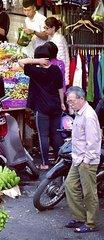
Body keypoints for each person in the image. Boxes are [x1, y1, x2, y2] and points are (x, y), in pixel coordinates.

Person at [18, 45, 64, 170]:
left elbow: (20, 61)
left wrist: (37, 61)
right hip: (56, 106)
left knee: (43, 135)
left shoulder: (35, 71)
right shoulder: (56, 70)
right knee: (56, 134)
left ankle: (44, 164)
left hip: (42, 108)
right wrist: (62, 103)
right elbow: (60, 88)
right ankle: (59, 161)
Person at [64, 86, 101, 233]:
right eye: (68, 102)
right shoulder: (79, 113)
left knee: (89, 192)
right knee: (70, 185)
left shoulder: (89, 115)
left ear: (81, 99)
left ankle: (91, 223)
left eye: (72, 101)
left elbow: (93, 140)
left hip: (87, 160)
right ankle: (79, 217)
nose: (70, 105)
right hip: (78, 158)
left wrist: (87, 160)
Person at [44, 17, 70, 87]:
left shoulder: (58, 39)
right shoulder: (55, 38)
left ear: (53, 28)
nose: (45, 30)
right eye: (44, 28)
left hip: (59, 72)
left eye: (47, 28)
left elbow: (61, 59)